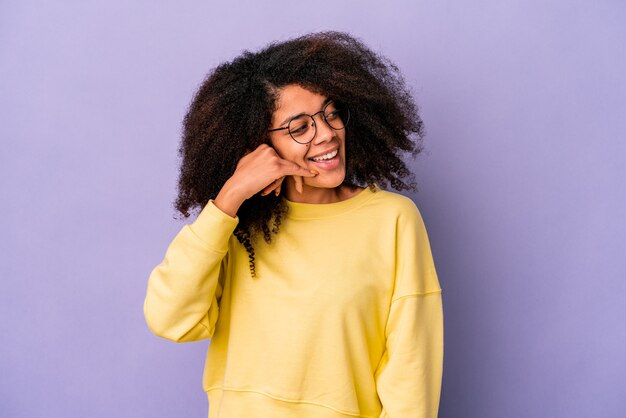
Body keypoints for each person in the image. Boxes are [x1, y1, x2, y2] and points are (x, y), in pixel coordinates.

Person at [143, 31, 443, 418]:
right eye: (300, 127)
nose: (327, 134)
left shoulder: (392, 220)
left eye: (331, 112)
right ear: (257, 144)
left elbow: (411, 381)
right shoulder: (236, 227)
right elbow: (170, 319)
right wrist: (230, 197)